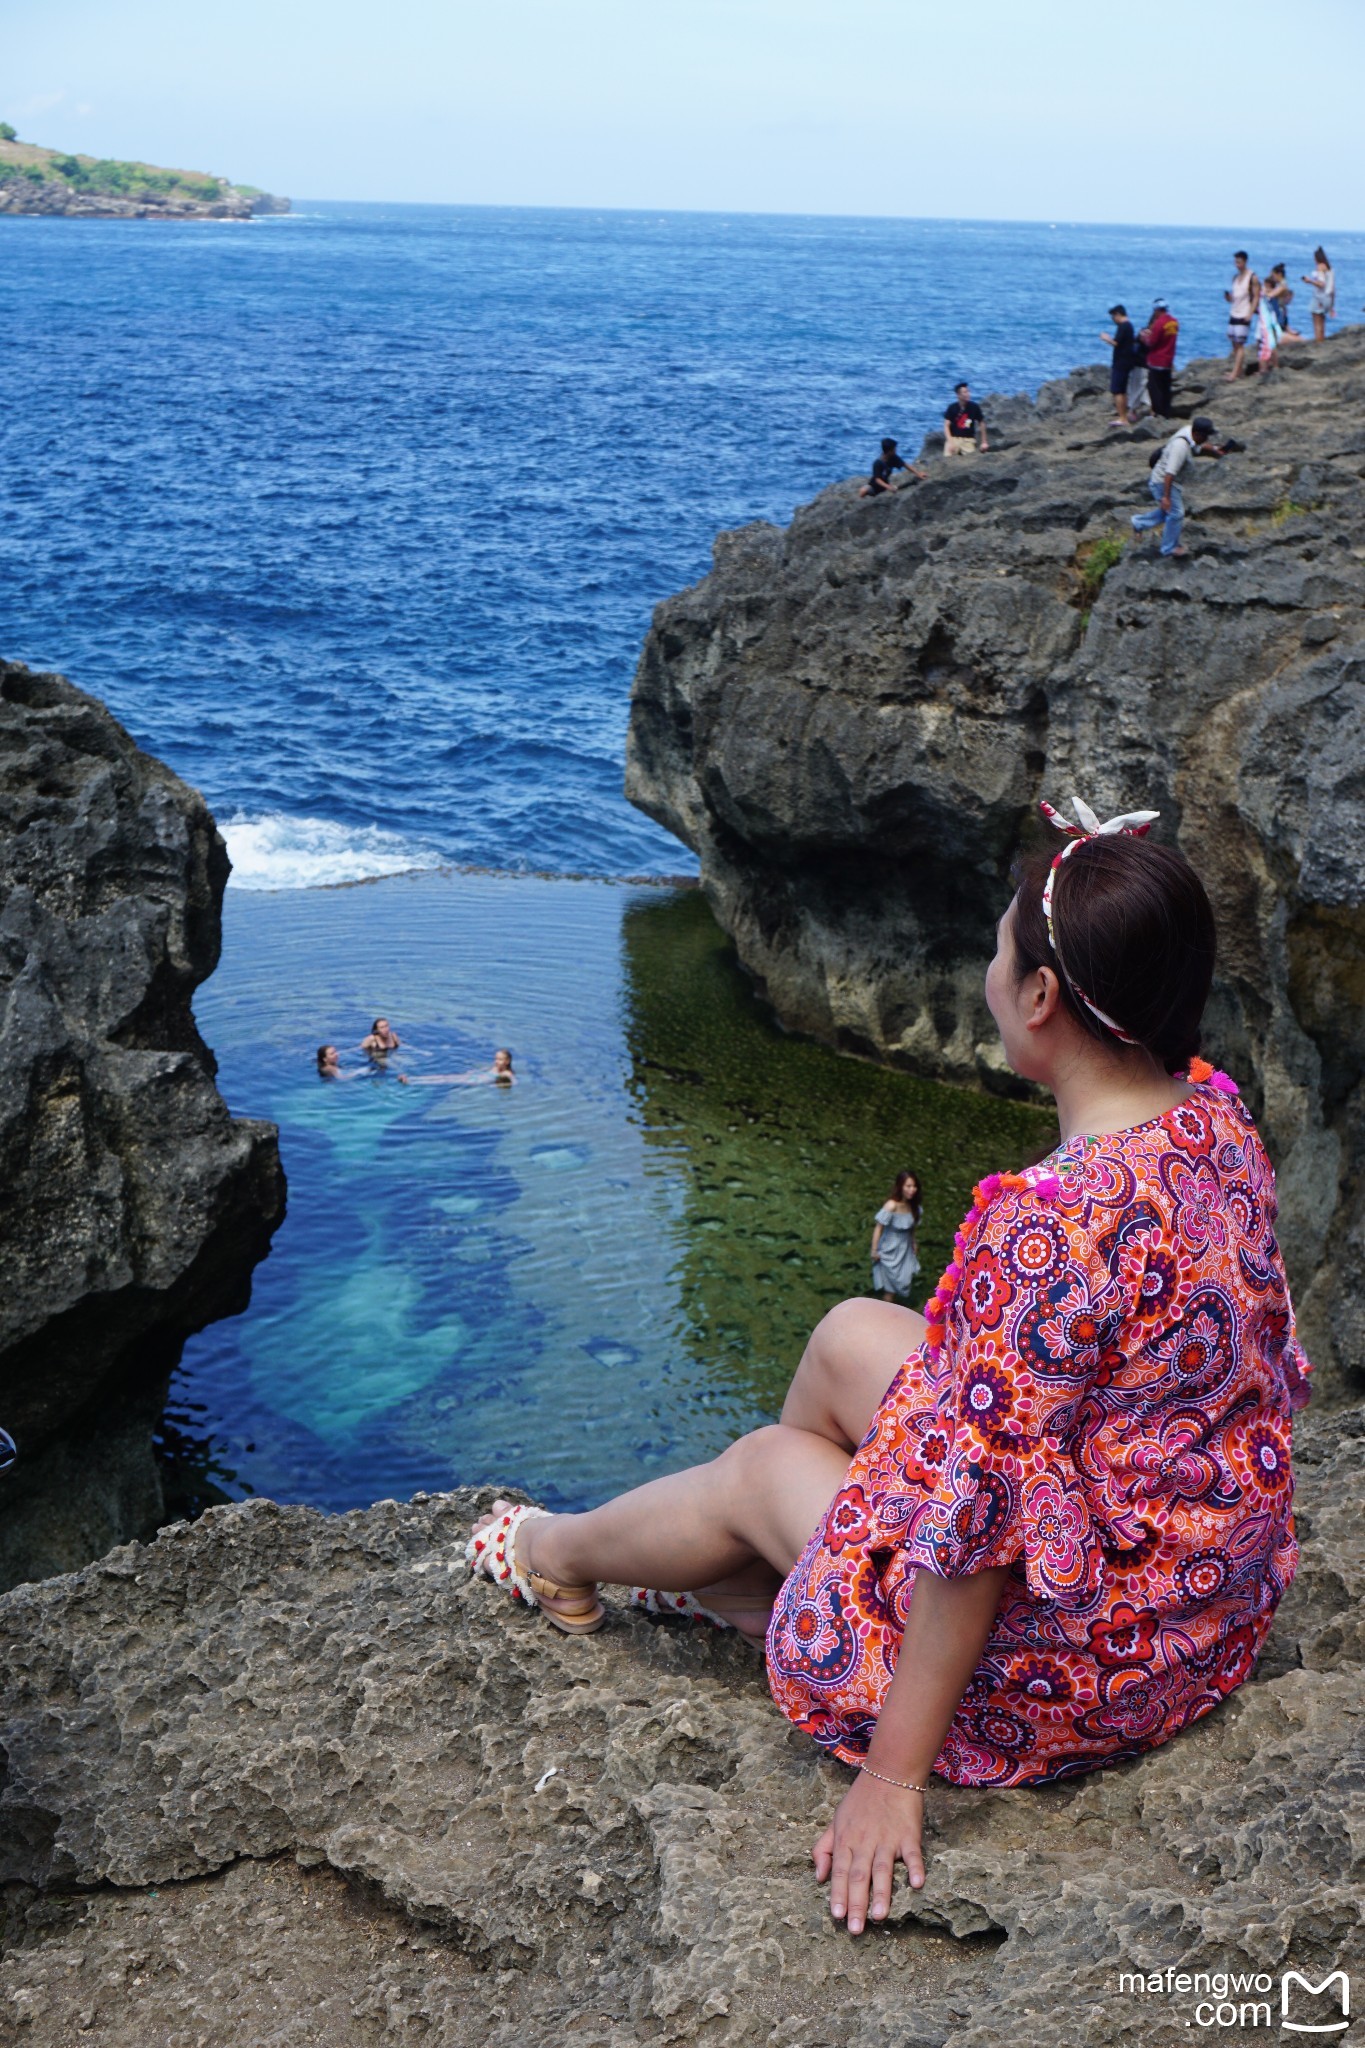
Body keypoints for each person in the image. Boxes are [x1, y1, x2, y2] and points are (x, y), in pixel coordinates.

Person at [466, 798, 1308, 1936]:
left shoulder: (1052, 1232)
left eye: (1002, 952)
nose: (990, 969)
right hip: (1195, 1592)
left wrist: (893, 1777)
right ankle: (771, 1579)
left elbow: (980, 1534)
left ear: (1043, 998)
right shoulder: (1214, 1121)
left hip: (1085, 1654)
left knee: (765, 1461)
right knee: (849, 1331)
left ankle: (551, 1552)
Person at [1130, 416, 1224, 559]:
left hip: (1164, 481)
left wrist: (1215, 450)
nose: (1207, 439)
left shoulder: (1188, 432)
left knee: (1168, 512)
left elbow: (1199, 448)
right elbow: (1169, 473)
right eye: (1206, 436)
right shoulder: (1180, 447)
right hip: (1162, 482)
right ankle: (1169, 548)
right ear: (1198, 434)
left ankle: (1138, 522)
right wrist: (1166, 497)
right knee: (1176, 513)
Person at [871, 1171, 922, 1300]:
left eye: (914, 1186)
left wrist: (913, 1243)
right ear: (900, 1186)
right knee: (890, 1290)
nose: (912, 1190)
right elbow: (878, 1228)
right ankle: (885, 1314)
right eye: (908, 1186)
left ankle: (892, 1310)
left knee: (904, 1280)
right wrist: (874, 1250)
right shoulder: (891, 1205)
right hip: (889, 1248)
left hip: (905, 1249)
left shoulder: (914, 1206)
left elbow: (911, 1228)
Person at [1139, 301, 1179, 418]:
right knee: (1165, 387)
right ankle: (1166, 411)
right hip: (1168, 359)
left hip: (1157, 360)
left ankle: (1157, 412)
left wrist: (1144, 337)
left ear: (1157, 310)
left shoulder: (1159, 323)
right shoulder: (1174, 322)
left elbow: (1151, 342)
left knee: (1154, 387)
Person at [1225, 252, 1261, 381]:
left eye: (1239, 262)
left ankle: (1235, 373)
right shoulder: (1235, 278)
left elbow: (1256, 296)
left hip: (1244, 313)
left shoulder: (1252, 277)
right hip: (1234, 312)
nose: (1237, 265)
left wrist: (1250, 313)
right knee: (1234, 343)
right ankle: (1238, 370)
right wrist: (1229, 298)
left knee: (1240, 344)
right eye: (1236, 262)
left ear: (1245, 261)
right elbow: (1235, 297)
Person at [1100, 305, 1138, 425]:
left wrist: (1106, 338)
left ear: (1118, 314)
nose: (1113, 319)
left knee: (1117, 390)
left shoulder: (1124, 326)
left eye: (1113, 316)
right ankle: (1124, 416)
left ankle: (1122, 418)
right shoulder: (1129, 326)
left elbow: (1116, 343)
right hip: (1126, 362)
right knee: (1122, 390)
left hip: (1121, 362)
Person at [859, 438, 927, 499]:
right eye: (894, 449)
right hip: (874, 487)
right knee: (863, 490)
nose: (896, 450)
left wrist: (918, 474)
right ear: (889, 451)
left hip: (884, 486)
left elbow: (905, 465)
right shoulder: (877, 463)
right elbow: (877, 479)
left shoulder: (893, 458)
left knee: (899, 488)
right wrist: (888, 487)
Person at [943, 382, 988, 457]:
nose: (968, 394)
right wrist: (950, 442)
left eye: (968, 391)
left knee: (971, 459)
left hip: (968, 440)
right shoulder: (952, 407)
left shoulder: (974, 407)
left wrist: (984, 442)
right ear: (958, 395)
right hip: (954, 438)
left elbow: (981, 423)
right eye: (965, 392)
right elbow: (946, 425)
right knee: (947, 456)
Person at [1302, 247, 1335, 342]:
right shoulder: (1330, 269)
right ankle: (1322, 340)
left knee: (1317, 321)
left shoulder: (1320, 267)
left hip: (1319, 297)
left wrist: (1310, 281)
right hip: (1327, 297)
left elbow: (1321, 283)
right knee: (1322, 321)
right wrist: (1332, 305)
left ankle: (1318, 341)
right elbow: (1333, 288)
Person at [1263, 265, 1301, 341]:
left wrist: (1263, 291)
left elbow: (1272, 295)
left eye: (1273, 275)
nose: (1272, 278)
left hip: (1280, 312)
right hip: (1281, 310)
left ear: (1279, 274)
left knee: (1279, 332)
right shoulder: (1281, 285)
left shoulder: (1283, 286)